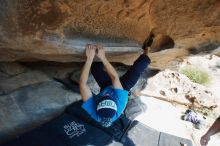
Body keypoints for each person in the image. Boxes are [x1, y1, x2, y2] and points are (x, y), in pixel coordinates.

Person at [79, 34, 174, 128]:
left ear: (97, 106)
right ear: (115, 105)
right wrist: (103, 57)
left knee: (95, 68)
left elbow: (82, 84)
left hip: (106, 87)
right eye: (109, 98)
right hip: (124, 87)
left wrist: (89, 58)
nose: (107, 95)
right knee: (139, 67)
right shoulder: (121, 101)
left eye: (105, 98)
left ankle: (98, 56)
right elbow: (114, 78)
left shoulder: (93, 110)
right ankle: (147, 49)